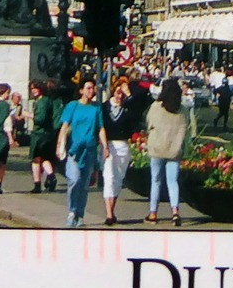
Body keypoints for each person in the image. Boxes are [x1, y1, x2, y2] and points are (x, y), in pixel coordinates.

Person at [56, 78, 107, 228]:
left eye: (93, 88)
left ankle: (80, 214)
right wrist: (60, 145)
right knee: (74, 180)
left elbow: (100, 128)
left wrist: (105, 146)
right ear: (81, 90)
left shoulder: (96, 108)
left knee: (84, 185)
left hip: (89, 150)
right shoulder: (73, 106)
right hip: (74, 150)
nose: (91, 91)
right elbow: (64, 127)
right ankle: (72, 211)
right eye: (88, 88)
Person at [146, 77, 189, 226]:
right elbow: (186, 129)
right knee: (172, 181)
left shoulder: (156, 107)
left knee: (156, 181)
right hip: (174, 150)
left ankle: (153, 214)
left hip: (157, 149)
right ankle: (175, 212)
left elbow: (149, 123)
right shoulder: (182, 110)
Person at [101, 79, 143, 225]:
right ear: (113, 90)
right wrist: (103, 145)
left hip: (123, 146)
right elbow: (100, 127)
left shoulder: (128, 108)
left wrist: (129, 96)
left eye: (122, 94)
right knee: (108, 177)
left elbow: (138, 113)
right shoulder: (104, 107)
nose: (120, 96)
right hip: (109, 144)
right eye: (118, 92)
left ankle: (112, 211)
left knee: (118, 179)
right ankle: (108, 214)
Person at [27, 80, 59, 193]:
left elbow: (40, 119)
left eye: (35, 88)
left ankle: (37, 184)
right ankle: (51, 176)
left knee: (36, 159)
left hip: (39, 134)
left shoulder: (41, 102)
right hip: (48, 134)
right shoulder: (49, 101)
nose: (33, 90)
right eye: (32, 89)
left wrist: (28, 115)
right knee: (45, 158)